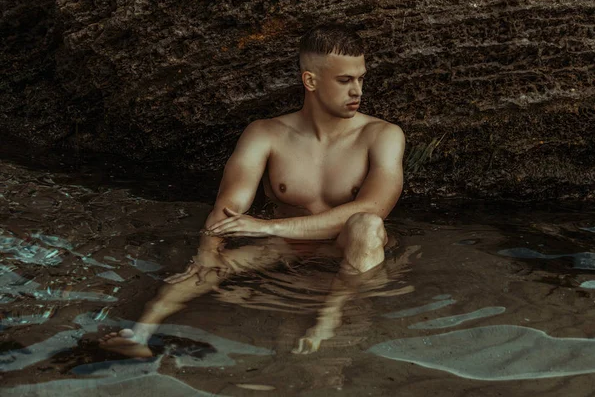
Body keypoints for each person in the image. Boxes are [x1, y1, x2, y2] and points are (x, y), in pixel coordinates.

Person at [99, 23, 406, 357]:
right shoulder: (266, 134)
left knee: (367, 226)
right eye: (345, 80)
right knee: (210, 264)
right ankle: (139, 334)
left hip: (350, 249)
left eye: (361, 78)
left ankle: (328, 319)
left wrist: (266, 226)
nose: (357, 91)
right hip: (288, 248)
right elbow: (229, 205)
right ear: (311, 81)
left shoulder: (382, 135)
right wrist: (207, 251)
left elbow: (375, 207)